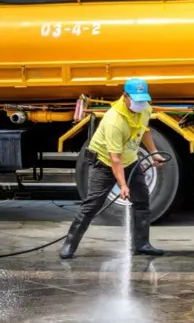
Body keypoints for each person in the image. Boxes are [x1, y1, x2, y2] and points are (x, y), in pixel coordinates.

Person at [59, 78, 166, 259]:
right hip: (104, 163)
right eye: (136, 100)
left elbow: (144, 129)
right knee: (92, 204)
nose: (141, 104)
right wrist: (123, 185)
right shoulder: (114, 120)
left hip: (130, 159)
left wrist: (154, 152)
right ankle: (70, 244)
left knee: (142, 201)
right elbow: (114, 158)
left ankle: (142, 244)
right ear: (125, 96)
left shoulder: (145, 108)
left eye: (143, 100)